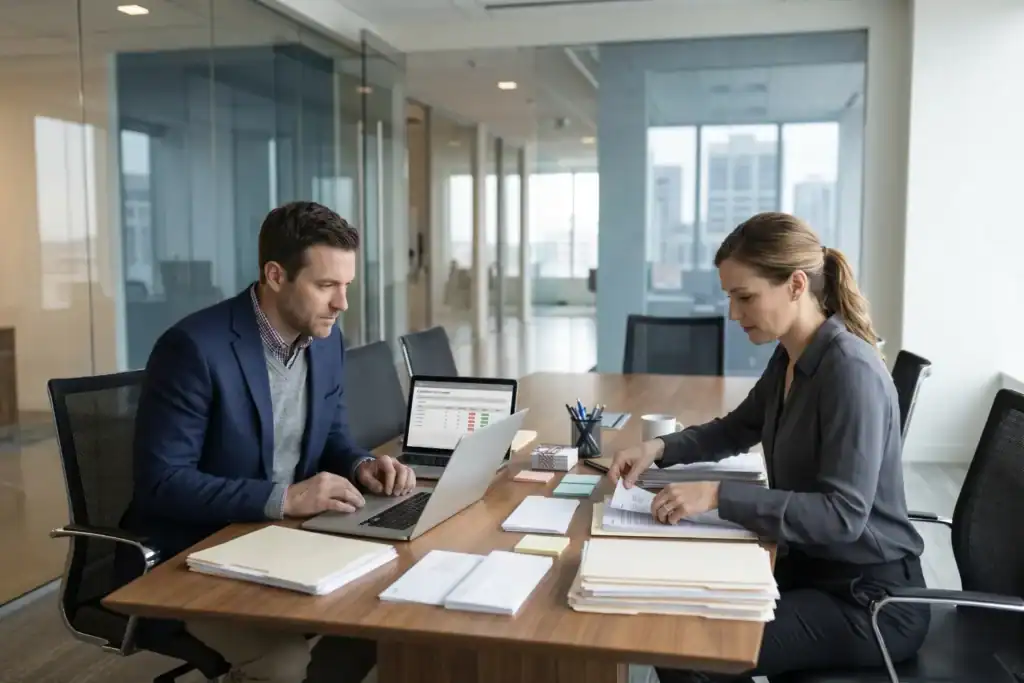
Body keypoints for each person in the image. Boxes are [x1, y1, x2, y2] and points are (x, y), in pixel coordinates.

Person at [607, 212, 929, 683]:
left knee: (689, 651)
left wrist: (717, 495)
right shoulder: (793, 354)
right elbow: (737, 428)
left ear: (796, 285)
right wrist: (658, 447)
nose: (734, 314)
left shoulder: (849, 371)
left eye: (746, 297)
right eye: (730, 298)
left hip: (869, 602)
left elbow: (843, 515)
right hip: (811, 569)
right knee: (671, 613)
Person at [120, 201, 416, 683]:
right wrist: (285, 498)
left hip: (288, 542)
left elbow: (333, 436)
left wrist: (362, 464)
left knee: (387, 616)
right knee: (285, 665)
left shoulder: (325, 340)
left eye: (346, 286)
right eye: (326, 286)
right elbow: (162, 483)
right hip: (196, 555)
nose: (342, 303)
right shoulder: (194, 348)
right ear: (276, 276)